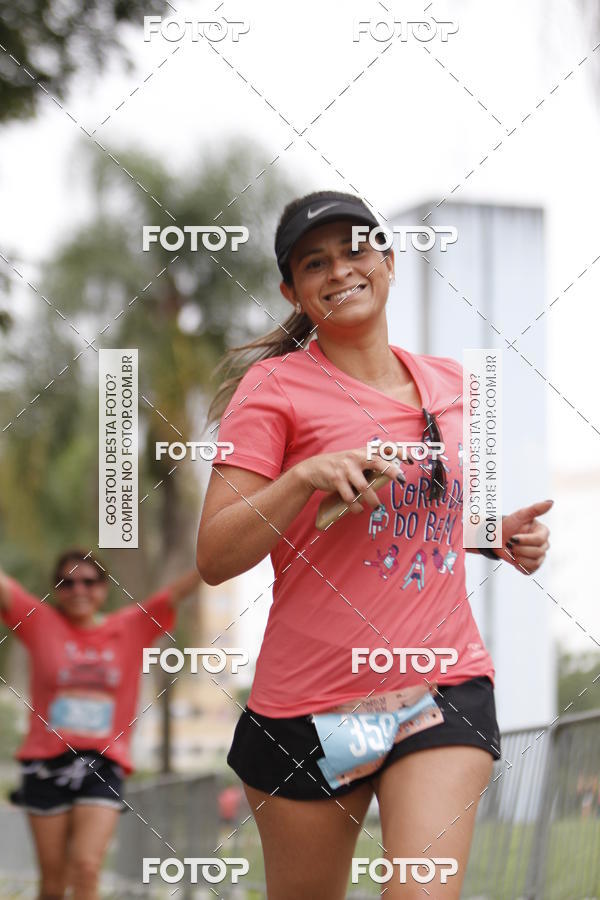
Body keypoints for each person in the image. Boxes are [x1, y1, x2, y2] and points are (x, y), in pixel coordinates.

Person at [196, 190, 552, 899]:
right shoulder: (273, 389)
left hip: (439, 682)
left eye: (356, 250)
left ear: (388, 262)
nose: (339, 270)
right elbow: (214, 556)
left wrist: (492, 534)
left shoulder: (453, 387)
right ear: (290, 288)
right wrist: (301, 477)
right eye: (314, 261)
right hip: (312, 704)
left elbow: (427, 513)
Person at [0, 548, 201, 900]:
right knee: (52, 881)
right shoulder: (39, 621)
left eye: (89, 582)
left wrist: (239, 541)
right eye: (67, 582)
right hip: (44, 766)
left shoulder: (130, 626)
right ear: (56, 589)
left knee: (87, 867)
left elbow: (182, 587)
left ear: (104, 587)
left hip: (102, 764)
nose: (79, 589)